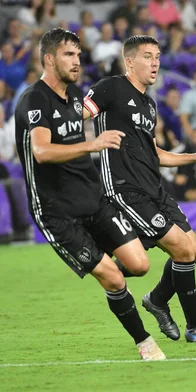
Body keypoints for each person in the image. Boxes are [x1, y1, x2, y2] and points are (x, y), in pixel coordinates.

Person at [14, 28, 165, 360]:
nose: (77, 61)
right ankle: (144, 342)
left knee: (139, 265)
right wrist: (93, 144)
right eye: (69, 55)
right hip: (55, 209)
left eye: (79, 55)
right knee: (112, 277)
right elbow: (41, 151)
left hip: (93, 199)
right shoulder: (34, 99)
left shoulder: (77, 95)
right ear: (49, 58)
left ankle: (100, 267)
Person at [82, 35, 196, 344]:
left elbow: (156, 154)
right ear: (129, 61)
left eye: (158, 56)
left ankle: (157, 300)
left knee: (194, 251)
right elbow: (77, 115)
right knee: (182, 250)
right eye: (148, 56)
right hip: (126, 190)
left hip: (155, 189)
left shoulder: (149, 104)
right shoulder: (109, 88)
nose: (155, 62)